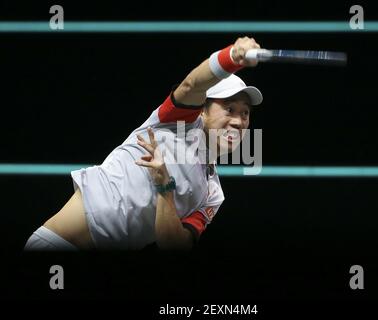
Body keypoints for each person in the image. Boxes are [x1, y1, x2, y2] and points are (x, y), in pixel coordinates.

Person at [24, 36, 263, 251]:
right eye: (229, 109)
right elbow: (192, 85)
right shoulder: (176, 121)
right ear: (203, 111)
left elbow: (175, 246)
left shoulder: (213, 194)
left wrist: (165, 189)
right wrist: (231, 56)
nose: (238, 121)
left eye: (245, 114)